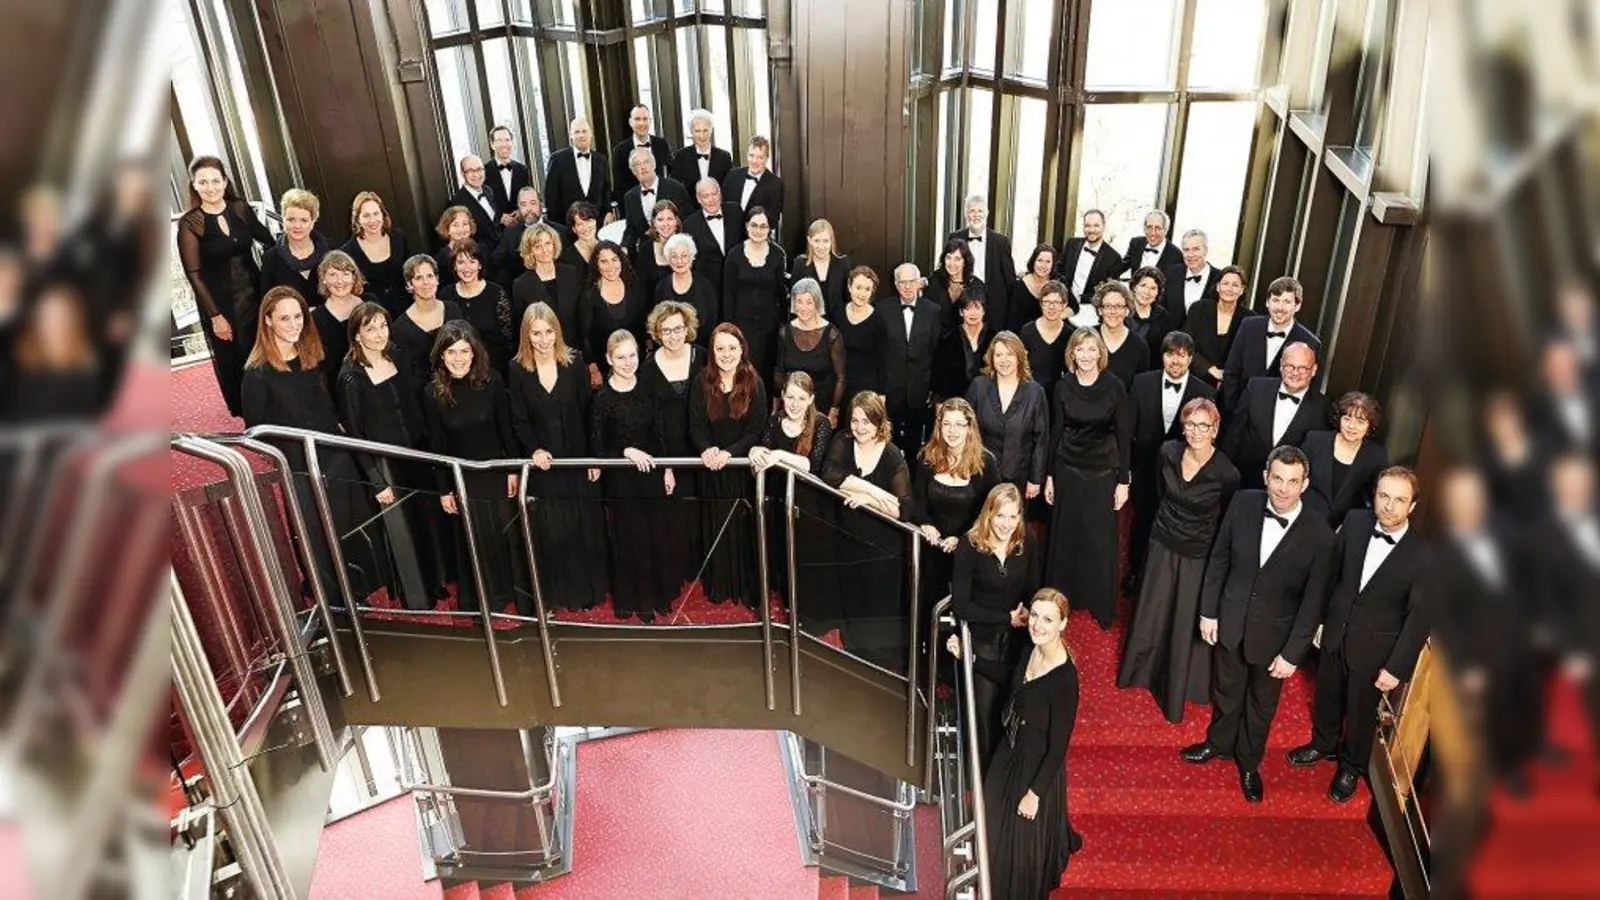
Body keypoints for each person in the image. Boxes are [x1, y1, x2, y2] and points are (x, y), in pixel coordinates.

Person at [1182, 445, 1336, 804]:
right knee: (1226, 688)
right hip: (1232, 621)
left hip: (1276, 637)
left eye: (1292, 481)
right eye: (1277, 479)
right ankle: (1218, 743)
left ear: (1305, 484)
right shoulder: (1242, 503)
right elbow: (1219, 558)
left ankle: (1249, 762)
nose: (1283, 488)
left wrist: (1293, 653)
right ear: (1266, 476)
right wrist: (1209, 612)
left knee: (1261, 705)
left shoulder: (1320, 534)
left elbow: (1314, 602)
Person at [1290, 467, 1429, 802]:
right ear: (1374, 495)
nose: (1389, 506)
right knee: (1328, 694)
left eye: (1399, 500)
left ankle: (1351, 766)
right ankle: (1322, 744)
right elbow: (1330, 574)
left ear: (1412, 506)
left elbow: (1419, 619)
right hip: (1336, 631)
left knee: (1361, 710)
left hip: (1375, 649)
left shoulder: (1424, 554)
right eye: (1384, 496)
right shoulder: (1355, 522)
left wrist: (1396, 667)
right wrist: (1320, 621)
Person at [243, 286, 381, 602]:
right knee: (317, 533)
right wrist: (291, 460)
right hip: (300, 466)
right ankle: (332, 599)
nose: (294, 324)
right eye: (284, 318)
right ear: (267, 321)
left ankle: (357, 590)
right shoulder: (257, 373)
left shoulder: (312, 356)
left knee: (349, 526)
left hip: (335, 454)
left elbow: (328, 409)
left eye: (298, 317)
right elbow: (256, 432)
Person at [950, 587, 1081, 899]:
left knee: (1017, 849)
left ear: (1062, 624)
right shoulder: (1029, 648)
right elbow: (1010, 676)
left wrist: (1035, 794)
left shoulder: (1065, 681)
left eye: (1048, 619)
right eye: (1034, 615)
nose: (1037, 624)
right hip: (1009, 748)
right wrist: (969, 657)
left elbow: (1059, 745)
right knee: (988, 814)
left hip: (1036, 764)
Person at [1117, 397, 1239, 723]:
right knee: (1152, 609)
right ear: (1182, 426)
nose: (1196, 431)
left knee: (1184, 618)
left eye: (1204, 425)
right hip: (1161, 543)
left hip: (1197, 553)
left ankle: (1176, 683)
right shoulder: (1167, 453)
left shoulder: (1227, 473)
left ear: (1215, 430)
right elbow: (1159, 492)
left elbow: (1225, 520)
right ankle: (1141, 670)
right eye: (1190, 424)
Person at [336, 301, 448, 609]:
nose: (378, 334)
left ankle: (435, 580)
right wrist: (376, 480)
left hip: (416, 452)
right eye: (369, 329)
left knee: (427, 520)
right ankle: (417, 596)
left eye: (382, 326)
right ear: (356, 335)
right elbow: (355, 434)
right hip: (386, 465)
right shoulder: (350, 377)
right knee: (402, 532)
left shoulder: (399, 355)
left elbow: (415, 403)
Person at [506, 302, 610, 612]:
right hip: (543, 466)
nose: (543, 339)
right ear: (526, 335)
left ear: (557, 331)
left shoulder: (574, 361)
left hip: (577, 461)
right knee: (551, 532)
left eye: (549, 331)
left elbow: (589, 413)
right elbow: (519, 420)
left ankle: (587, 592)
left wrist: (594, 457)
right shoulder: (516, 369)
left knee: (582, 527)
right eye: (536, 333)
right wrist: (534, 449)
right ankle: (558, 595)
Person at [420, 321, 524, 614]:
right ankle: (482, 600)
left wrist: (512, 470)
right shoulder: (432, 393)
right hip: (461, 480)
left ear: (475, 352)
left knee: (503, 538)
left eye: (465, 351)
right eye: (451, 351)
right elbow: (437, 447)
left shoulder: (492, 380)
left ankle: (512, 595)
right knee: (472, 541)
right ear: (441, 355)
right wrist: (444, 491)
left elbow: (507, 431)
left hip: (495, 472)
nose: (459, 358)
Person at [1044, 328, 1132, 630]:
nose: (1085, 355)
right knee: (1067, 537)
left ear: (1100, 353)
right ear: (1072, 353)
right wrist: (1050, 476)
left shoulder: (1114, 386)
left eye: (1091, 349)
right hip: (1068, 467)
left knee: (1098, 540)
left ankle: (1098, 601)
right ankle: (1063, 599)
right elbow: (1056, 431)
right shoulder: (1063, 386)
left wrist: (1124, 480)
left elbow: (1123, 434)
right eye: (1079, 350)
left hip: (1103, 471)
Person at [591, 329, 679, 621]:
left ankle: (658, 595)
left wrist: (667, 469)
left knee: (656, 535)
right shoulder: (601, 400)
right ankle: (634, 600)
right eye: (621, 357)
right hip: (621, 482)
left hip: (652, 476)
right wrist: (626, 452)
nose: (628, 362)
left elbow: (661, 434)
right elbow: (597, 450)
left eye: (632, 355)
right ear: (608, 359)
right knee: (630, 540)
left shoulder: (649, 389)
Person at [822, 392, 913, 669]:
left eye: (867, 422)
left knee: (877, 608)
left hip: (882, 550)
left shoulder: (891, 455)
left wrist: (869, 501)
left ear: (879, 422)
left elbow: (903, 509)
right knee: (852, 602)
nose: (860, 427)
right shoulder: (843, 441)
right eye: (855, 420)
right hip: (849, 542)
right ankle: (854, 658)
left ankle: (881, 665)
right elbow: (830, 475)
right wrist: (874, 491)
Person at [177, 155, 274, 416]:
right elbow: (194, 274)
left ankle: (278, 414)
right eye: (203, 182)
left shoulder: (239, 208)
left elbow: (268, 240)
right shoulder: (191, 223)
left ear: (225, 181)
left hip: (257, 297)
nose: (211, 187)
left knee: (268, 357)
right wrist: (216, 316)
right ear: (194, 185)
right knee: (239, 364)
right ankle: (255, 423)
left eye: (216, 180)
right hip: (222, 307)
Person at [951, 483, 1039, 759]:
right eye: (1000, 516)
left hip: (1017, 638)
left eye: (1013, 517)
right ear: (989, 514)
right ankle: (983, 781)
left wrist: (1029, 614)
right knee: (985, 714)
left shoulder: (1027, 541)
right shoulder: (969, 545)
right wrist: (1005, 618)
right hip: (982, 637)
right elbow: (961, 606)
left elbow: (1034, 588)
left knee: (1014, 711)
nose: (1006, 524)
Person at [1126, 332, 1217, 593]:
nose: (1175, 361)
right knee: (1142, 520)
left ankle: (1163, 580)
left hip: (1182, 472)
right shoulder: (1142, 383)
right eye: (1170, 354)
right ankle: (1135, 572)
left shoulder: (1205, 392)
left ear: (1190, 358)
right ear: (1162, 355)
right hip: (1144, 468)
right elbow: (1128, 428)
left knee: (1172, 525)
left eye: (1182, 355)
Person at [750, 372, 837, 629]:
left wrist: (777, 455)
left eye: (801, 398)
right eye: (790, 397)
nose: (795, 404)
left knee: (803, 561)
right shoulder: (775, 419)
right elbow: (763, 452)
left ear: (811, 399)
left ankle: (805, 616)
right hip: (777, 500)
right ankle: (787, 608)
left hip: (808, 505)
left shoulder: (821, 424)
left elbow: (813, 465)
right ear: (782, 397)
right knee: (779, 555)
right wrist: (757, 452)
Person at [690, 324, 768, 607]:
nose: (726, 354)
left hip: (740, 470)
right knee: (715, 526)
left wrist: (729, 454)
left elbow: (756, 429)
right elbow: (695, 426)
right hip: (712, 469)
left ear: (742, 349)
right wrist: (707, 449)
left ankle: (743, 588)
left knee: (742, 531)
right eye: (720, 348)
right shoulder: (702, 382)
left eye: (732, 348)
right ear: (712, 351)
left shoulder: (754, 382)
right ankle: (719, 586)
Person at [909, 398, 999, 633]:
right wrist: (926, 524)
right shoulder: (927, 458)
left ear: (970, 428)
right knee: (926, 606)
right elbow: (916, 501)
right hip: (932, 545)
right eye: (947, 424)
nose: (952, 431)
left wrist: (962, 538)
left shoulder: (985, 463)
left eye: (959, 425)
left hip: (969, 548)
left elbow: (989, 511)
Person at [640, 300, 708, 593]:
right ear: (657, 333)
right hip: (667, 449)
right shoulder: (647, 367)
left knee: (702, 510)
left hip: (704, 446)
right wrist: (664, 464)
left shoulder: (703, 357)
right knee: (675, 514)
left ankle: (703, 569)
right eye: (666, 330)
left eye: (678, 329)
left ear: (687, 328)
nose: (673, 335)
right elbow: (649, 421)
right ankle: (679, 569)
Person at [1221, 342, 1327, 491]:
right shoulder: (1255, 387)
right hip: (1242, 481)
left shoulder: (1323, 408)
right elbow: (1233, 435)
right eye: (1290, 366)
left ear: (1314, 370)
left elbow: (1316, 459)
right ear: (1281, 365)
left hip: (1287, 493)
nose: (1295, 373)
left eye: (1303, 368)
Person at [966, 331, 1049, 499]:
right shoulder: (978, 386)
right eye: (999, 355)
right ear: (991, 358)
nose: (1004, 360)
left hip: (1018, 476)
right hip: (980, 473)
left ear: (1019, 356)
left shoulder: (1035, 392)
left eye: (1009, 354)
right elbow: (966, 428)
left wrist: (1036, 479)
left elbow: (1041, 439)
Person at [1221, 275, 1321, 413]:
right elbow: (1231, 371)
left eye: (1287, 302)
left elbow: (1306, 391)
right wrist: (1233, 408)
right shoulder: (1248, 326)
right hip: (1238, 412)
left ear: (1297, 306)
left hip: (1277, 418)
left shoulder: (1309, 342)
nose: (1280, 307)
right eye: (1275, 300)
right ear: (1267, 302)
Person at [6, 282, 101, 420]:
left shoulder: (87, 371)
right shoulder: (19, 362)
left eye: (60, 315)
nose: (53, 322)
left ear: (73, 320)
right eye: (47, 314)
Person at [878, 264, 942, 462]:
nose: (907, 287)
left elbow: (935, 351)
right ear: (896, 285)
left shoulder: (933, 311)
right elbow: (879, 353)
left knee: (916, 442)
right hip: (891, 387)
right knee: (890, 441)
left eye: (911, 282)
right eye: (902, 282)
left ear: (919, 283)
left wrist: (933, 389)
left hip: (920, 388)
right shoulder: (881, 309)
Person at [1302, 391, 1390, 527]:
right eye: (1347, 418)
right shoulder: (1315, 440)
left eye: (1360, 421)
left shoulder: (1376, 455)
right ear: (1339, 419)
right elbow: (1296, 479)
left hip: (1344, 528)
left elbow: (1375, 498)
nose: (1351, 426)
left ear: (1369, 426)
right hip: (1304, 520)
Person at [721, 206, 787, 379]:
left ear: (770, 229)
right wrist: (730, 328)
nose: (758, 230)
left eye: (763, 226)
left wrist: (782, 323)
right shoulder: (734, 255)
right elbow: (727, 294)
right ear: (746, 226)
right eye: (754, 225)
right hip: (742, 327)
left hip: (769, 327)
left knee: (766, 373)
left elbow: (781, 291)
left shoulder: (777, 255)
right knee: (743, 373)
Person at [774, 278, 846, 421]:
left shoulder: (832, 334)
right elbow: (779, 372)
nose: (803, 307)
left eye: (809, 302)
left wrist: (834, 411)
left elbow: (841, 378)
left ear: (817, 303)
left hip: (822, 408)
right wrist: (776, 407)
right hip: (793, 406)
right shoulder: (785, 332)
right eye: (799, 302)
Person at [388, 255, 462, 387]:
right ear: (409, 285)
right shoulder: (400, 328)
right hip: (423, 394)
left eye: (430, 276)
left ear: (437, 279)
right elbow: (406, 377)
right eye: (418, 278)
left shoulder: (453, 309)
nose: (426, 282)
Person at [440, 241, 514, 372]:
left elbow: (507, 336)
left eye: (472, 261)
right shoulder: (446, 295)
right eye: (461, 262)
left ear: (480, 265)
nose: (467, 268)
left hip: (494, 368)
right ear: (454, 266)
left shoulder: (496, 293)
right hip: (458, 368)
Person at [258, 188, 331, 323]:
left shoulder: (331, 253)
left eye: (304, 220)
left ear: (313, 221)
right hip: (291, 332)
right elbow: (267, 304)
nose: (297, 226)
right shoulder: (271, 259)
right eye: (291, 219)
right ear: (283, 220)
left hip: (330, 327)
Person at [579, 241, 647, 379]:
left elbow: (643, 324)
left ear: (621, 261)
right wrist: (592, 367)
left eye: (614, 260)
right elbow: (584, 335)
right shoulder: (589, 295)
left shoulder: (634, 286)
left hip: (636, 364)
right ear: (596, 265)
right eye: (604, 261)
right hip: (604, 369)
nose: (611, 266)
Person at [1183, 265, 1255, 390]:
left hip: (1231, 387)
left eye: (1235, 285)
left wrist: (1227, 376)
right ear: (1217, 286)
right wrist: (1210, 369)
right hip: (1196, 380)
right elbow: (1186, 345)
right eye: (1225, 283)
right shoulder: (1198, 309)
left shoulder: (1250, 319)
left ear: (1242, 290)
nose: (1229, 289)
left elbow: (1248, 357)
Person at [511, 222, 583, 345]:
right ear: (530, 251)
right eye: (537, 246)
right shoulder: (521, 284)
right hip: (542, 351)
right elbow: (522, 327)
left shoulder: (570, 273)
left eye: (548, 243)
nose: (544, 250)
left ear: (554, 245)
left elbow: (580, 316)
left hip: (574, 348)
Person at [342, 191, 412, 317]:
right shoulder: (348, 252)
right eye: (366, 215)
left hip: (407, 310)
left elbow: (411, 271)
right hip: (373, 317)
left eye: (376, 213)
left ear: (383, 214)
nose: (372, 220)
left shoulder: (398, 238)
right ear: (357, 219)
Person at [493, 185, 570, 291]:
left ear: (541, 205)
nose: (528, 209)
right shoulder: (510, 234)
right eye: (523, 204)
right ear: (518, 208)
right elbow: (499, 265)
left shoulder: (561, 232)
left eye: (533, 203)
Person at [310, 250, 365, 393]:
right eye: (332, 274)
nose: (339, 281)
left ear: (354, 277)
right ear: (323, 279)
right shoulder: (316, 318)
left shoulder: (369, 303)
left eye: (345, 274)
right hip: (339, 389)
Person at [948, 194, 1017, 307]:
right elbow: (946, 268)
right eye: (972, 211)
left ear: (987, 213)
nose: (976, 215)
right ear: (966, 214)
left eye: (980, 211)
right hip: (962, 302)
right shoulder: (955, 237)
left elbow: (1010, 280)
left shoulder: (1001, 242)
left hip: (994, 306)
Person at [543, 116, 609, 226]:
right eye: (577, 132)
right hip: (567, 227)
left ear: (590, 134)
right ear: (571, 136)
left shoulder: (601, 160)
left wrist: (608, 211)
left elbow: (605, 190)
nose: (581, 135)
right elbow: (550, 197)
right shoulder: (557, 159)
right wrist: (557, 227)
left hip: (596, 225)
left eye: (584, 131)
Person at [681, 178, 743, 294]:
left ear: (720, 193)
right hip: (710, 287)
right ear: (698, 199)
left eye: (714, 194)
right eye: (706, 196)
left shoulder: (736, 211)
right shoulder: (689, 225)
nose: (711, 199)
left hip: (739, 281)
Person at [654, 233, 719, 345]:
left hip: (701, 349)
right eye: (674, 256)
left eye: (684, 255)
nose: (679, 261)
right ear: (668, 259)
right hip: (671, 349)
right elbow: (657, 323)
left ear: (691, 257)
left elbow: (712, 322)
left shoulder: (705, 285)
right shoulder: (661, 287)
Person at [619, 148, 691, 248]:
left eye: (646, 162)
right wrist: (623, 248)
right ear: (633, 171)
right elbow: (631, 230)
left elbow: (688, 222)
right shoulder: (630, 197)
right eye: (637, 164)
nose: (643, 167)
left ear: (654, 164)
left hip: (676, 250)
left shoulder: (676, 188)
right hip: (647, 253)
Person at [1055, 208, 1122, 316]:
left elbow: (1108, 292)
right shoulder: (1071, 244)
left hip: (1090, 311)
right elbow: (1058, 270)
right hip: (1064, 305)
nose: (1091, 230)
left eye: (1096, 225)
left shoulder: (1114, 258)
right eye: (1087, 225)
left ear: (1104, 226)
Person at [611, 103, 673, 208]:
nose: (642, 123)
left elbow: (673, 171)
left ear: (650, 121)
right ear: (630, 122)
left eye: (645, 119)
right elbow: (619, 187)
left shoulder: (661, 144)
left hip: (661, 206)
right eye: (637, 119)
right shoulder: (620, 150)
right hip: (635, 206)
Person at [1020, 280, 1071, 403]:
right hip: (1031, 396)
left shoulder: (1070, 334)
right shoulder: (1027, 331)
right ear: (1041, 304)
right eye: (1047, 302)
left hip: (1060, 397)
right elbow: (1022, 366)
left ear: (1064, 305)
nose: (1051, 307)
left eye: (1057, 302)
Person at [935, 293, 993, 400]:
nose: (973, 313)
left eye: (977, 308)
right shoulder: (948, 339)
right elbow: (940, 377)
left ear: (983, 311)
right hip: (956, 401)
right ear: (961, 312)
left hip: (989, 400)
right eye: (967, 309)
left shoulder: (994, 338)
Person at [1095, 281, 1150, 387]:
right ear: (1100, 310)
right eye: (1108, 306)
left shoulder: (1139, 346)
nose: (1113, 311)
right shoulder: (1088, 339)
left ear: (1127, 311)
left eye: (1118, 306)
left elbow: (1141, 389)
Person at [792, 219, 850, 319]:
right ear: (809, 240)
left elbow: (847, 298)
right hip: (809, 325)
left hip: (837, 325)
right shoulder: (800, 264)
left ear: (832, 241)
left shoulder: (842, 263)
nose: (821, 246)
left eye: (825, 241)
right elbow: (794, 300)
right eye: (817, 241)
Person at [1162, 228, 1221, 322]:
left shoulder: (1219, 278)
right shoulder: (1170, 274)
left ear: (1205, 250)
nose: (1190, 255)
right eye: (1186, 250)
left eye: (1196, 249)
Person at [928, 237, 986, 334]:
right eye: (948, 257)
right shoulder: (934, 280)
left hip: (962, 342)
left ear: (965, 261)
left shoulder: (976, 285)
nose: (952, 263)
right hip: (935, 341)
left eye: (957, 259)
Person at [722, 135, 784, 221]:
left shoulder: (775, 184)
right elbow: (723, 206)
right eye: (752, 155)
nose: (755, 161)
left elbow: (773, 219)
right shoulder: (732, 175)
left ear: (766, 159)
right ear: (747, 155)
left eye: (760, 157)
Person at [670, 107, 735, 187]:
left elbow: (730, 186)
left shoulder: (724, 157)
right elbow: (676, 187)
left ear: (711, 131)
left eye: (705, 130)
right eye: (697, 131)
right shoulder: (680, 156)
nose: (702, 135)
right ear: (691, 131)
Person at [632, 199, 684, 298]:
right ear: (654, 223)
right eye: (660, 220)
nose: (665, 224)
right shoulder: (645, 249)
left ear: (676, 222)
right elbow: (641, 288)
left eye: (669, 219)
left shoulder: (686, 245)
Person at [483, 125, 533, 226]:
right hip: (496, 230)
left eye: (507, 140)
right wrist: (499, 217)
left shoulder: (522, 170)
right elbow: (483, 204)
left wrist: (521, 211)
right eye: (499, 140)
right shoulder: (484, 172)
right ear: (492, 145)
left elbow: (528, 196)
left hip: (520, 226)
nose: (504, 144)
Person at [432, 205, 489, 289]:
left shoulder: (482, 249)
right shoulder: (442, 257)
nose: (461, 229)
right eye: (455, 225)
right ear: (447, 229)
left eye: (465, 224)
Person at [450, 154, 503, 243]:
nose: (476, 174)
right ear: (463, 174)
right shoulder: (457, 202)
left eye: (479, 169)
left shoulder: (488, 190)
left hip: (501, 243)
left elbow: (490, 219)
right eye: (470, 171)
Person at [1127, 266, 1173, 363]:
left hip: (1149, 371)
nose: (1147, 292)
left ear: (1158, 293)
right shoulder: (1121, 311)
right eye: (1143, 286)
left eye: (1153, 288)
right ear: (1134, 287)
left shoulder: (1163, 316)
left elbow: (1165, 351)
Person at [1009, 244, 1056, 335]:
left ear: (1053, 264)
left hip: (1048, 335)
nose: (1043, 265)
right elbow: (1012, 320)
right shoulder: (1018, 286)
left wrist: (1054, 317)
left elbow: (1074, 306)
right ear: (1033, 261)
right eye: (1040, 260)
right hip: (1022, 337)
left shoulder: (1056, 284)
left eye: (1048, 261)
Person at [1119, 208, 1181, 276]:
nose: (1152, 233)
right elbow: (1120, 267)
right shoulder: (1136, 244)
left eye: (1157, 228)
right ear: (1144, 228)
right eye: (1149, 227)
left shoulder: (1176, 255)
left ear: (1166, 230)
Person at [559, 201, 603, 272]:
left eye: (589, 221)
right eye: (580, 224)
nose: (585, 227)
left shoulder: (608, 249)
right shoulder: (566, 258)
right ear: (574, 229)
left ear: (595, 222)